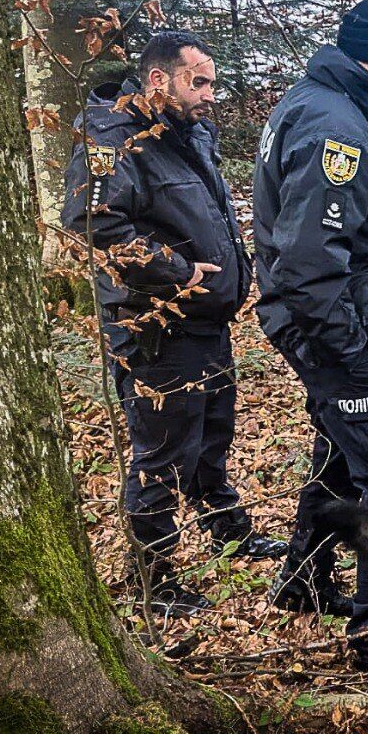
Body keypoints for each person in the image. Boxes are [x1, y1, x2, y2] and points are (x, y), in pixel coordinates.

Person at [60, 31, 288, 617]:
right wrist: (177, 270)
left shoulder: (188, 132)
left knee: (213, 432)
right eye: (199, 81)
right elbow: (91, 223)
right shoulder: (111, 137)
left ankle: (227, 530)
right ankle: (154, 577)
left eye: (211, 81)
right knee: (161, 452)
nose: (210, 94)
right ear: (159, 80)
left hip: (206, 319)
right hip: (154, 328)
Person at [251, 0, 368, 674]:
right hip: (332, 337)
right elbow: (309, 262)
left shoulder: (318, 103)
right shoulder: (335, 129)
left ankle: (301, 579)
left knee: (341, 454)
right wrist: (351, 351)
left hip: (326, 331)